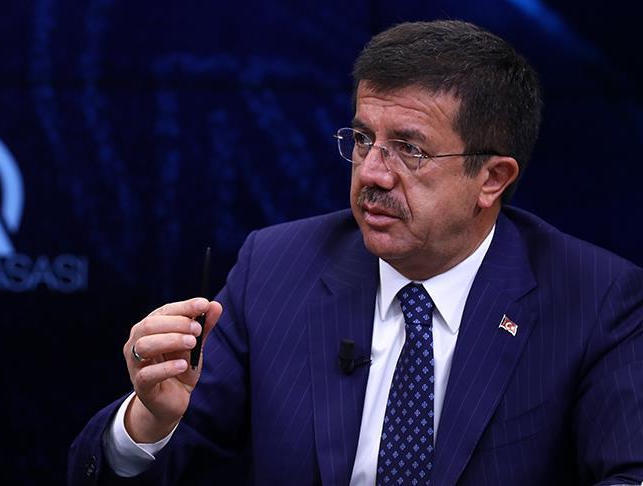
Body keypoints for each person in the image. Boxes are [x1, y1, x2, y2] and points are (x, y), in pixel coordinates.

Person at [69, 20, 643, 485]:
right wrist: (149, 421)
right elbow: (153, 463)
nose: (372, 173)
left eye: (410, 150)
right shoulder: (277, 267)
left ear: (492, 179)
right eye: (364, 139)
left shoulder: (596, 298)